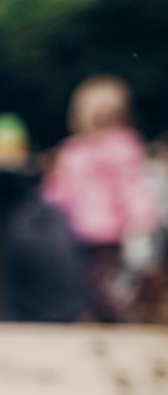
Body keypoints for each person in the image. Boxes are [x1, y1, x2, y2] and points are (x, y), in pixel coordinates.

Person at [43, 75, 159, 321]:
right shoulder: (74, 152)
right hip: (81, 234)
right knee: (93, 283)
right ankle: (105, 316)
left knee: (105, 283)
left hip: (106, 235)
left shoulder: (117, 148)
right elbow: (60, 191)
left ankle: (117, 317)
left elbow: (131, 188)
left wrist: (141, 221)